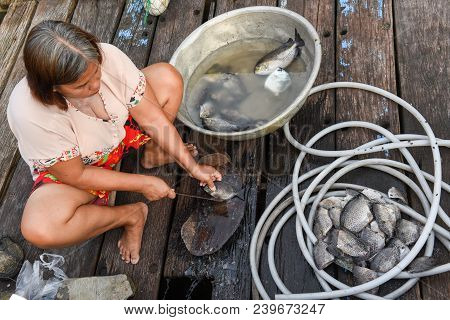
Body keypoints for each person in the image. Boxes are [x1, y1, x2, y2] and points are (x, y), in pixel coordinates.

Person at [6, 20, 222, 265]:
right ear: (53, 88)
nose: (96, 85)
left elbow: (150, 115)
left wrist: (192, 166)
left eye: (96, 72)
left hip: (119, 131)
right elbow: (76, 175)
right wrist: (142, 183)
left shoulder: (108, 56)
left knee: (167, 78)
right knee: (40, 228)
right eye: (82, 85)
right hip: (79, 166)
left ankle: (153, 153)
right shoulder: (30, 113)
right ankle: (130, 215)